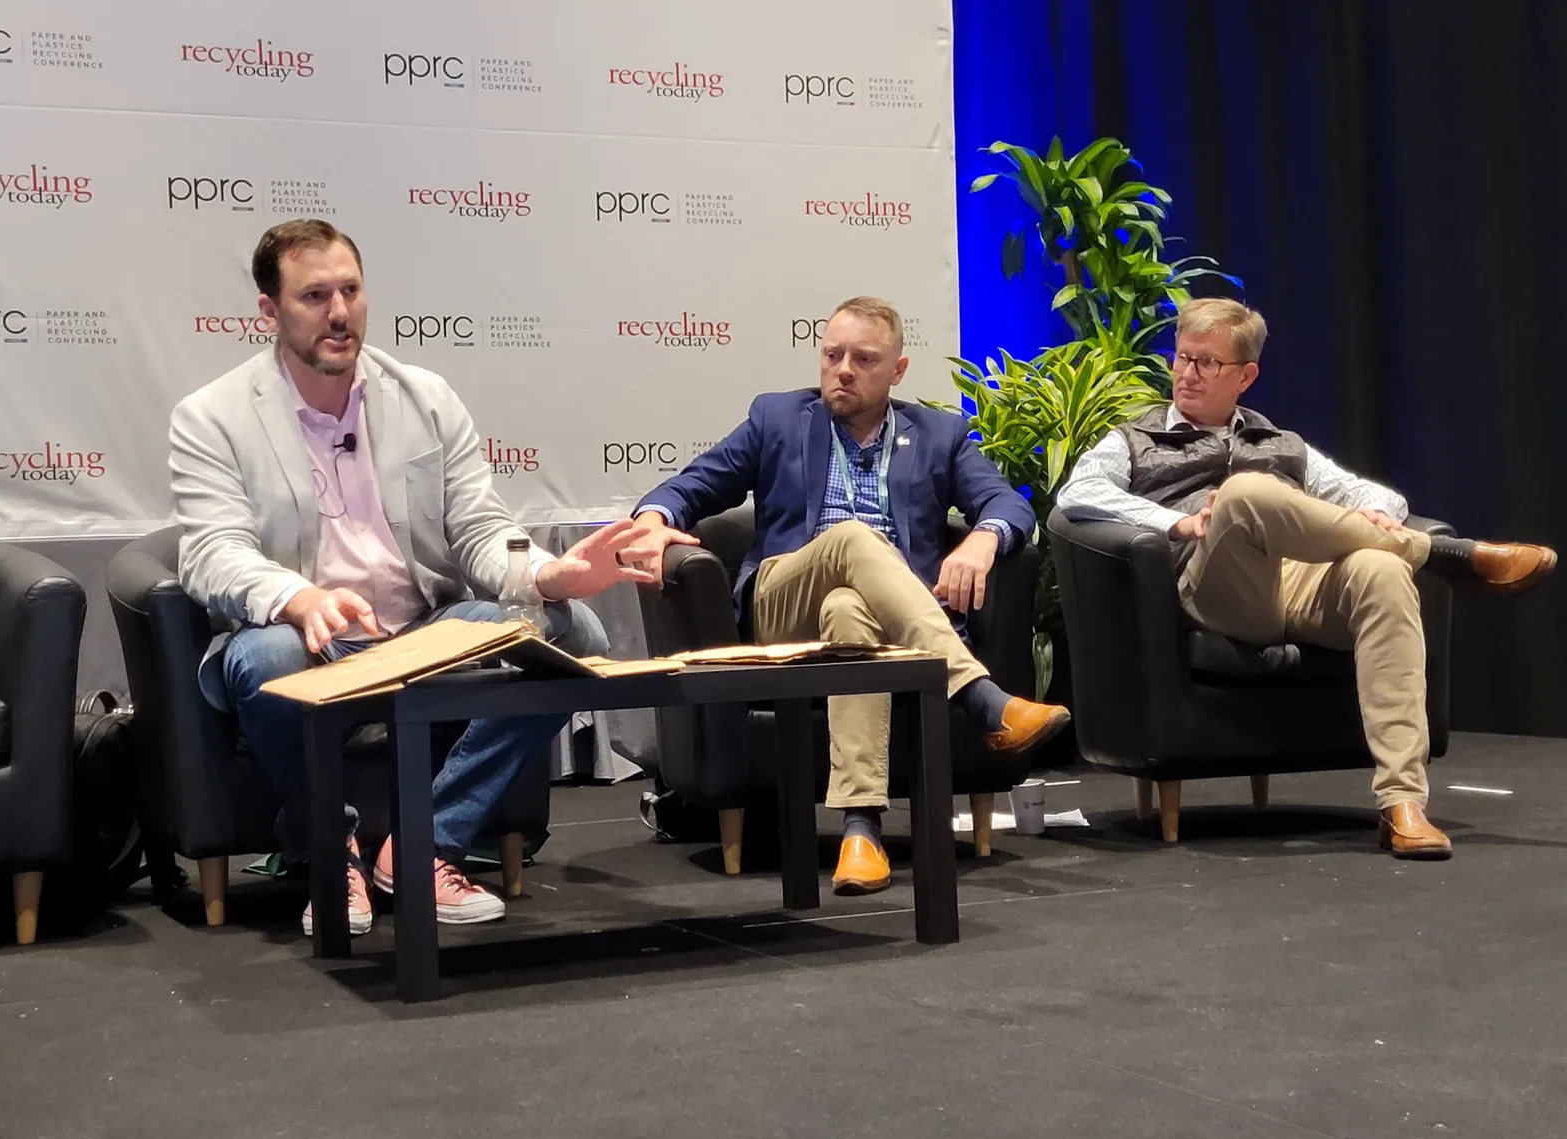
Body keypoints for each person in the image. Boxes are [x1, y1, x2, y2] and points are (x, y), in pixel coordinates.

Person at [169, 219, 653, 935]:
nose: (339, 313)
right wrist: (297, 597)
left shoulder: (424, 397)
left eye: (350, 291)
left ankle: (426, 846)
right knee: (264, 658)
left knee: (574, 632)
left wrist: (553, 576)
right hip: (308, 639)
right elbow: (212, 552)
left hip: (423, 633)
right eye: (314, 296)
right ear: (268, 312)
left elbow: (480, 532)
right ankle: (331, 853)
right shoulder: (212, 417)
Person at [1057, 297, 1556, 859]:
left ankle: (1402, 804)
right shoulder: (1134, 439)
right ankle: (1448, 555)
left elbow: (1377, 494)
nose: (1187, 373)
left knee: (1382, 568)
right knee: (1245, 494)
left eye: (1207, 363)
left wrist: (1377, 517)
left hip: (1297, 584)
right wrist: (1178, 521)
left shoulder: (1281, 444)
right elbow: (1078, 495)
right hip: (1214, 587)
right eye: (1182, 358)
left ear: (1246, 376)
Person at [624, 296, 1071, 895]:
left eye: (863, 359)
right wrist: (654, 519)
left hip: (876, 620)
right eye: (833, 355)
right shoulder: (777, 418)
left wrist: (983, 540)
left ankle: (861, 833)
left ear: (898, 370)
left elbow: (1008, 503)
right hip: (783, 603)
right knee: (854, 537)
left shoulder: (941, 434)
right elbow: (692, 485)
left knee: (849, 610)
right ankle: (981, 697)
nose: (843, 369)